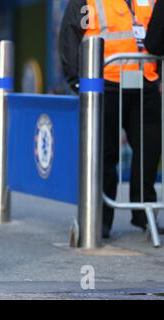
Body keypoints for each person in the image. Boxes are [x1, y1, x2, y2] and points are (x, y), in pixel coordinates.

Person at [60, 0, 163, 239]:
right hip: (104, 84)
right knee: (105, 154)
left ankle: (143, 212)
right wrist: (77, 80)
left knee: (150, 149)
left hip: (144, 83)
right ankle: (101, 219)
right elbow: (71, 34)